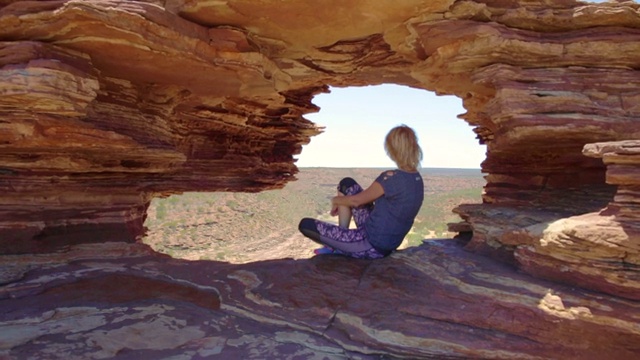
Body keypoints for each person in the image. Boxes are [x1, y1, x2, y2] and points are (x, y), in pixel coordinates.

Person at [298, 125, 424, 259]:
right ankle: (341, 238)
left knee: (306, 225)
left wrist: (335, 201)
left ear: (393, 150)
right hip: (386, 242)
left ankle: (339, 246)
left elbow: (356, 201)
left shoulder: (390, 178)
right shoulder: (416, 179)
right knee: (346, 184)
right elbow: (360, 199)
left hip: (370, 245)